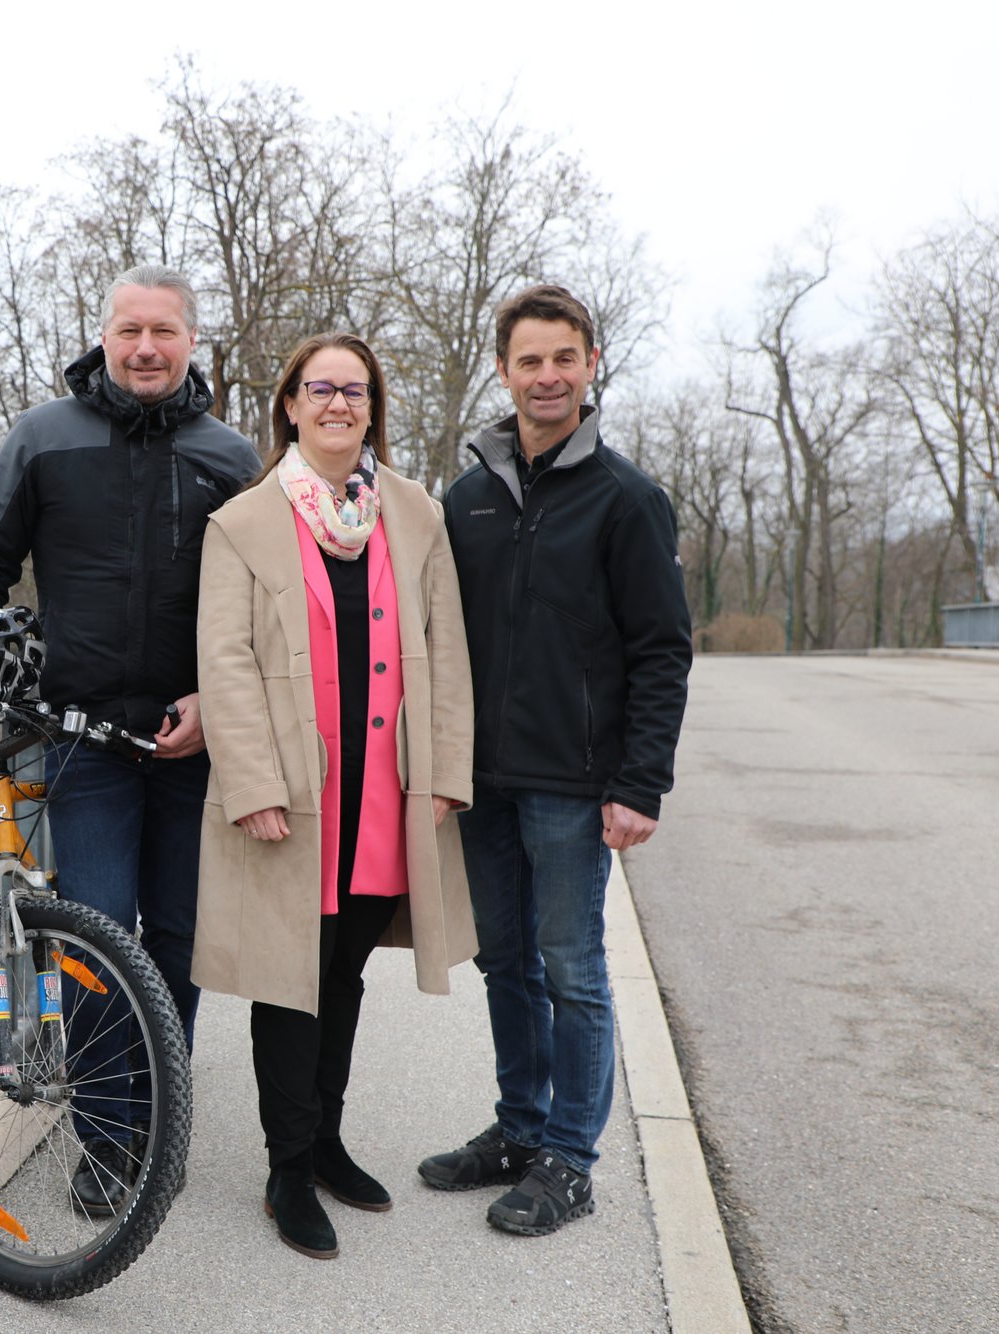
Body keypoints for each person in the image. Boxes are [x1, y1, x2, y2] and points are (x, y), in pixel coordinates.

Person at [0, 264, 259, 1214]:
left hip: (196, 741)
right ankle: (110, 1139)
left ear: (193, 342)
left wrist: (215, 700)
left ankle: (161, 1110)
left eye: (164, 332)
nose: (145, 347)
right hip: (84, 739)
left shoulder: (230, 454)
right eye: (128, 330)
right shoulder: (44, 437)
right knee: (98, 940)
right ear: (102, 336)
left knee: (179, 942)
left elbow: (264, 604)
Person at [192, 332, 477, 1260]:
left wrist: (444, 774)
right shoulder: (243, 521)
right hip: (294, 791)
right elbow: (225, 664)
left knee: (344, 973)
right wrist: (252, 785)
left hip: (383, 789)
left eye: (354, 391)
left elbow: (449, 652)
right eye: (320, 389)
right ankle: (284, 1167)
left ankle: (324, 1143)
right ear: (289, 404)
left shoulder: (413, 515)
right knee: (289, 978)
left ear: (372, 406)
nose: (337, 405)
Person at [418, 284, 692, 1237]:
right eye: (529, 360)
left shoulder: (627, 498)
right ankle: (521, 1128)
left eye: (563, 359)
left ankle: (570, 1159)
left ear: (590, 366)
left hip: (575, 787)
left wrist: (639, 781)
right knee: (506, 963)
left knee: (572, 967)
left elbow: (662, 649)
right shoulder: (466, 499)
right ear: (504, 370)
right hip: (483, 780)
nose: (546, 376)